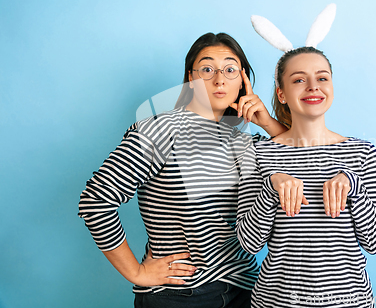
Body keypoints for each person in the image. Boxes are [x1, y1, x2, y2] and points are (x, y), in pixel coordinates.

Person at [78, 32, 287, 308]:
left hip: (246, 289)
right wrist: (136, 272)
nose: (219, 79)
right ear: (191, 77)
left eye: (230, 69)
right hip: (180, 296)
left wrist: (269, 123)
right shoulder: (160, 130)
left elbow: (304, 163)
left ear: (243, 80)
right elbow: (95, 201)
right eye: (208, 68)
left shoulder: (246, 141)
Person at [236, 46, 376, 307]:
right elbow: (249, 243)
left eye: (322, 78)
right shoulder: (258, 152)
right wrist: (271, 186)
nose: (312, 86)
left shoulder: (362, 153)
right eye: (299, 79)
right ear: (281, 94)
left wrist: (352, 184)